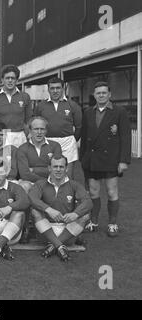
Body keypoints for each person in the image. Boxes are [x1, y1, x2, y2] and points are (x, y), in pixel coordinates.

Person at [80, 82, 131, 237]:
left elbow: (125, 137)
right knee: (94, 193)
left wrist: (123, 161)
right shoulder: (87, 112)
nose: (101, 95)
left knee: (111, 192)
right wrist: (83, 159)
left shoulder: (120, 111)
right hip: (92, 159)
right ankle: (93, 222)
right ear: (94, 95)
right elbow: (84, 136)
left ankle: (112, 224)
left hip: (111, 159)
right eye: (98, 93)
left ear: (110, 94)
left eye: (104, 93)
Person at [28, 156, 92, 262]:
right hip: (45, 232)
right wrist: (48, 209)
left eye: (61, 167)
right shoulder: (40, 184)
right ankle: (59, 246)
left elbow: (88, 202)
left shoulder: (74, 185)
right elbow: (32, 198)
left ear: (66, 168)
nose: (58, 169)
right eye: (55, 166)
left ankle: (54, 246)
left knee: (85, 215)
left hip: (68, 231)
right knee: (35, 211)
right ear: (49, 168)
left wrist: (75, 214)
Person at [34, 77, 82, 179]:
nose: (55, 91)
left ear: (63, 88)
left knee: (67, 175)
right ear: (48, 89)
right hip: (47, 142)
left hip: (67, 143)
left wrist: (71, 139)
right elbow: (35, 124)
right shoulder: (41, 106)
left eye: (58, 88)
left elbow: (79, 127)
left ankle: (67, 194)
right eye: (52, 88)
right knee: (48, 175)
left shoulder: (72, 105)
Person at [0, 64, 32, 148]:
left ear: (17, 80)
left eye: (12, 78)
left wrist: (29, 135)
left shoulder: (25, 97)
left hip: (20, 136)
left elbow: (29, 120)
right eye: (7, 78)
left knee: (20, 161)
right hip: (1, 136)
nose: (10, 80)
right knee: (3, 161)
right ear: (2, 80)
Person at [17, 116, 62, 185]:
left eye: (42, 129)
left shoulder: (55, 146)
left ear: (46, 131)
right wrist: (45, 181)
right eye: (36, 129)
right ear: (30, 130)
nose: (39, 132)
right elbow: (24, 174)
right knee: (24, 185)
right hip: (31, 182)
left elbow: (57, 169)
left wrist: (34, 170)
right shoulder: (22, 149)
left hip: (52, 181)